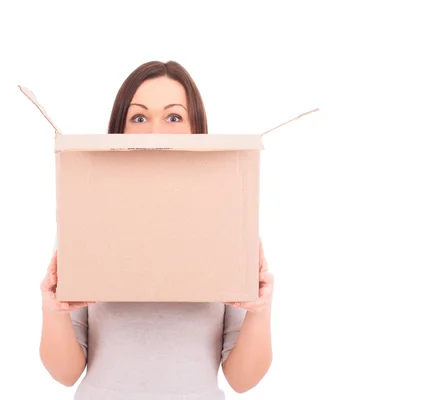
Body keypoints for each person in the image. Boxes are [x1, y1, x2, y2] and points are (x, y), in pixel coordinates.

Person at [39, 61, 274, 400]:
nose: (155, 131)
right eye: (139, 117)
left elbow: (242, 380)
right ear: (120, 128)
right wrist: (52, 309)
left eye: (174, 117)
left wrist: (261, 310)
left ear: (196, 129)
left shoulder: (229, 220)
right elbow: (65, 373)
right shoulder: (88, 217)